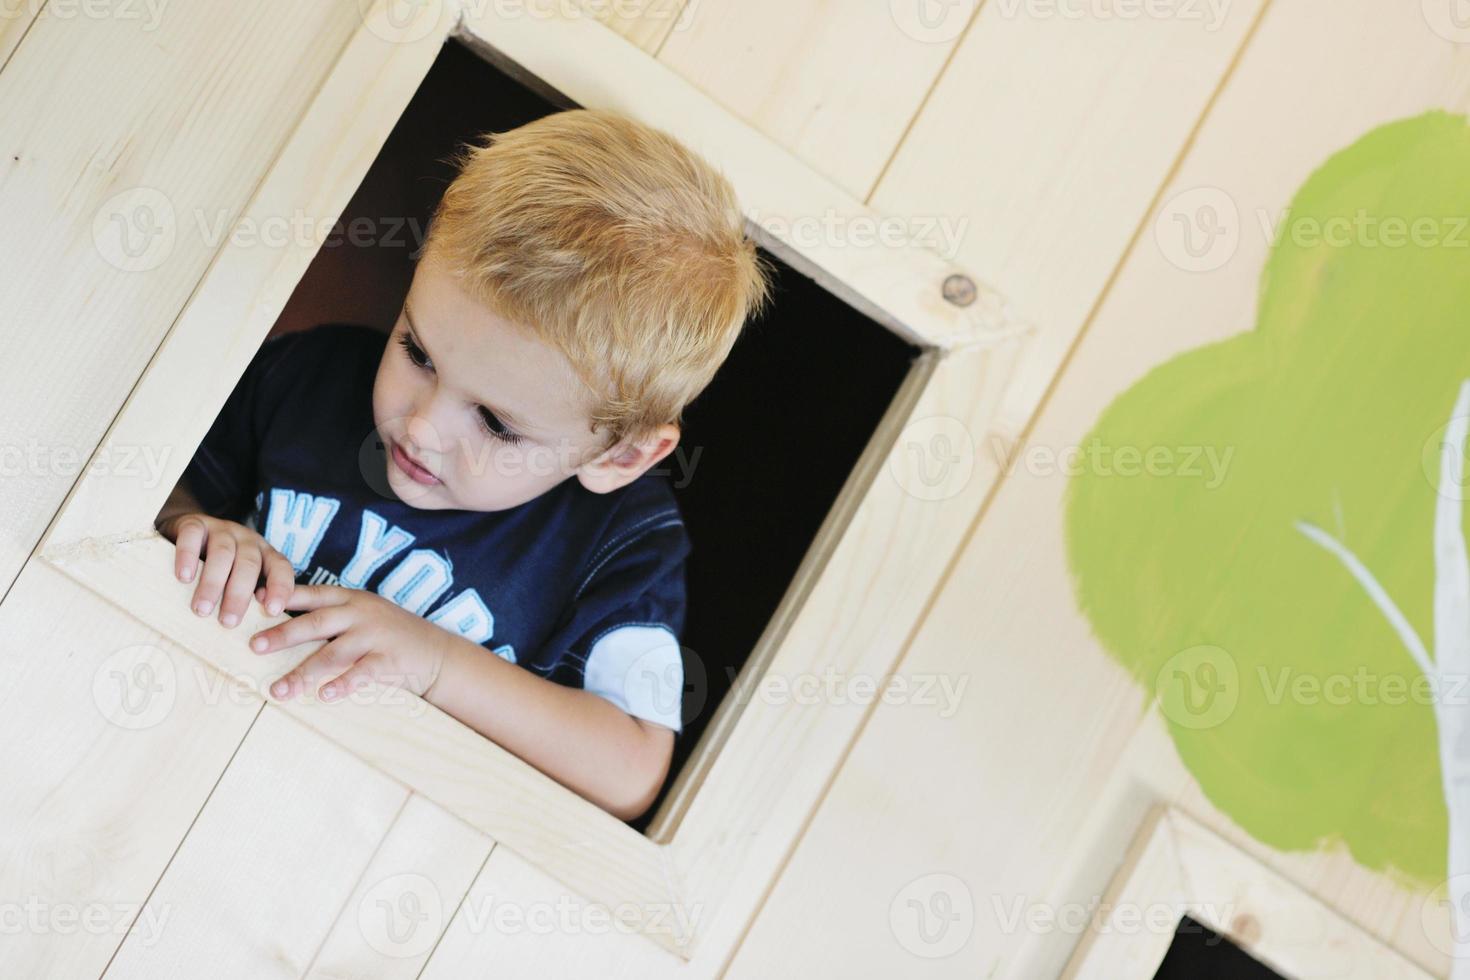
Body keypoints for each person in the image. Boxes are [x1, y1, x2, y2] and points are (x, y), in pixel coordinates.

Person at [154, 108, 775, 822]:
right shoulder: (314, 376)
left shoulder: (619, 540)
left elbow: (630, 768)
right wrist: (191, 522)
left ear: (620, 454)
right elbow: (157, 475)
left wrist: (436, 663)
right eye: (418, 352)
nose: (420, 425)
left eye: (495, 423)